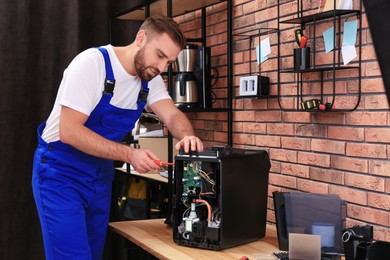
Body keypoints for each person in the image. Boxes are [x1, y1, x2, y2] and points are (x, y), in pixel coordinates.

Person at [32, 15, 203, 260]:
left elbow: (172, 115)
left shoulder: (150, 78)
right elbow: (69, 132)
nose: (163, 67)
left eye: (170, 62)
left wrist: (188, 137)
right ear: (141, 39)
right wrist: (130, 154)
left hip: (100, 175)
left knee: (92, 253)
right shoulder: (92, 65)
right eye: (160, 56)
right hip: (60, 173)